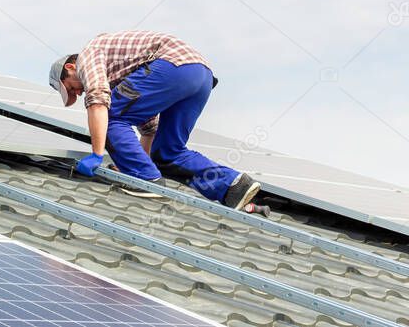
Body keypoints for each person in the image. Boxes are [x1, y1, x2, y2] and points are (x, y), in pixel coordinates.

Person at [48, 30, 261, 209]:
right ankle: (233, 185)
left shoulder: (87, 56)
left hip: (171, 65)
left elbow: (98, 103)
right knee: (167, 152)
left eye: (71, 89)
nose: (79, 93)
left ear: (70, 67)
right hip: (200, 76)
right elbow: (149, 129)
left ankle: (146, 179)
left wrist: (97, 154)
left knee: (108, 116)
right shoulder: (125, 78)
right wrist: (133, 166)